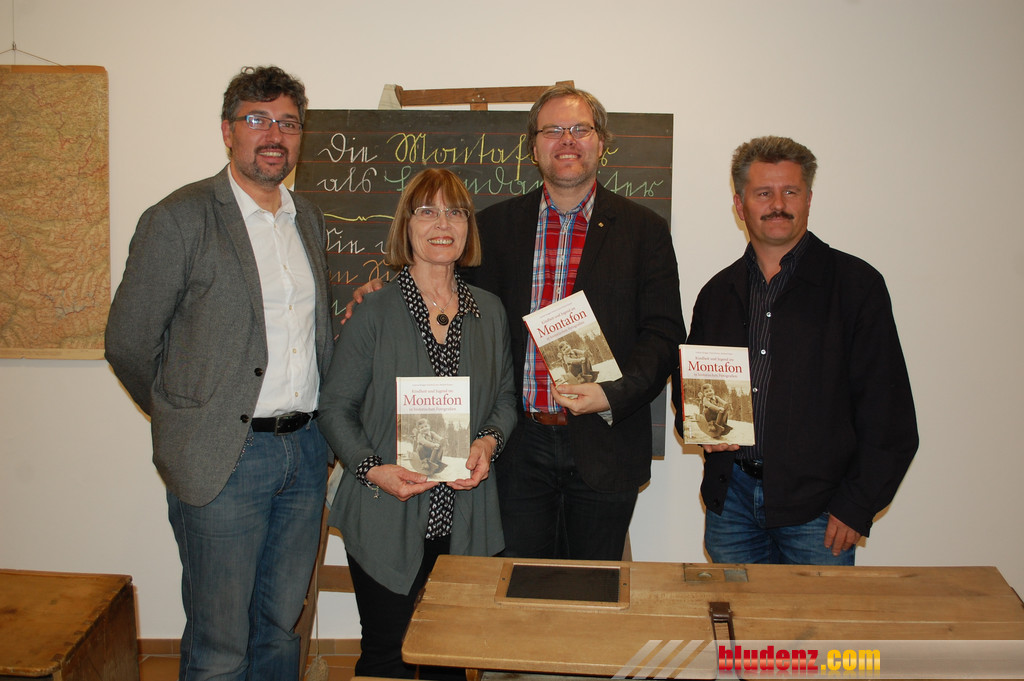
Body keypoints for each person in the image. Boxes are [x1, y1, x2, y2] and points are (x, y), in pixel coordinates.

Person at [105, 66, 334, 680]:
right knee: (220, 644)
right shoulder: (179, 218)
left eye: (288, 123)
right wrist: (187, 415)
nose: (274, 135)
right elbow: (128, 343)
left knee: (280, 629)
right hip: (225, 460)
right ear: (228, 131)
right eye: (257, 119)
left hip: (306, 453)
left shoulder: (307, 219)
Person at [674, 135, 918, 565]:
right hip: (731, 505)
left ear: (808, 199)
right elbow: (689, 388)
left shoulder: (856, 286)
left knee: (813, 614)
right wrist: (701, 429)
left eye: (791, 192)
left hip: (820, 511)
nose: (778, 205)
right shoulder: (717, 293)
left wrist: (857, 504)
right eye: (763, 193)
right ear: (739, 205)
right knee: (736, 613)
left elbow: (889, 414)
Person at [466, 85, 686, 560]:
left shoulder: (645, 230)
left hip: (606, 444)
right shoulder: (493, 228)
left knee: (592, 589)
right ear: (533, 147)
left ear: (601, 142)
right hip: (516, 448)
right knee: (518, 589)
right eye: (552, 130)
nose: (567, 140)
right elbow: (447, 297)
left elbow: (664, 335)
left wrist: (613, 394)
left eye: (580, 129)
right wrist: (387, 290)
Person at [318, 168, 516, 678]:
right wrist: (372, 469)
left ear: (468, 227)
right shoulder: (373, 310)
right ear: (406, 226)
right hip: (387, 510)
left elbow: (504, 400)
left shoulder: (490, 312)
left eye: (455, 212)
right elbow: (335, 407)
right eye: (427, 211)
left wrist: (487, 443)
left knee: (449, 655)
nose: (442, 224)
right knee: (387, 655)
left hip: (465, 515)